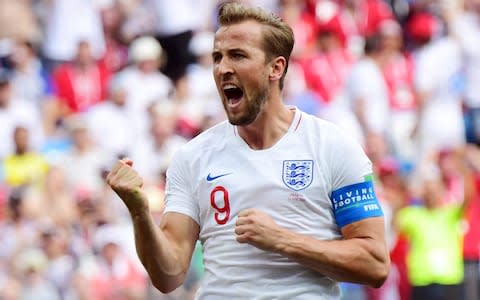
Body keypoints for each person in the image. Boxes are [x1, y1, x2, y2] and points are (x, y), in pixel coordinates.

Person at [106, 3, 389, 299]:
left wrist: (282, 240)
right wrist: (139, 213)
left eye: (237, 55)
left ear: (276, 68)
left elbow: (374, 263)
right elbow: (168, 275)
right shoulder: (192, 157)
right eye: (217, 57)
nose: (222, 68)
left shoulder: (333, 146)